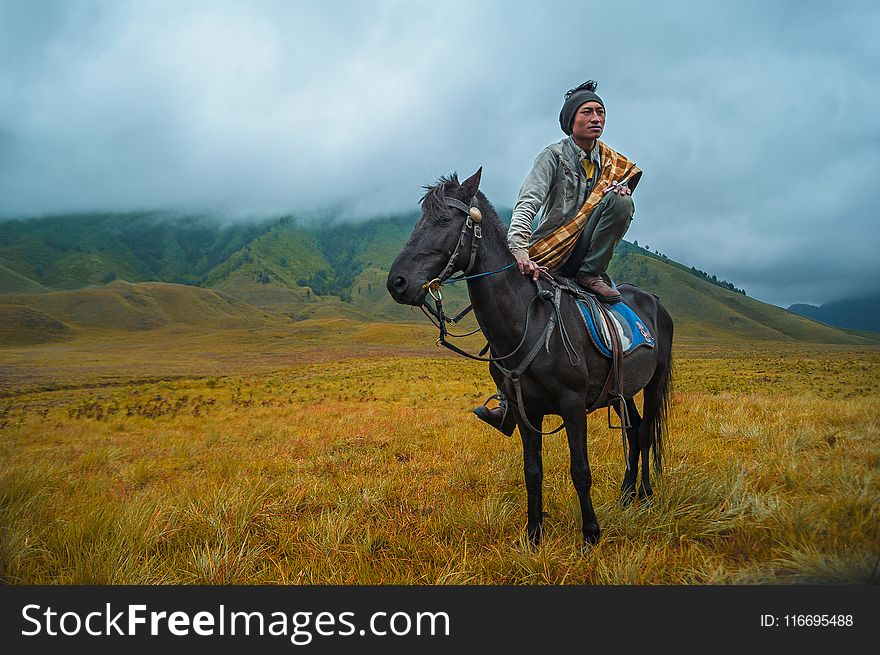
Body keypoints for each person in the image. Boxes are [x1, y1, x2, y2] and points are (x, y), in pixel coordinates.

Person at [474, 80, 642, 435]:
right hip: (549, 250)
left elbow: (611, 212)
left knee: (622, 201)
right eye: (588, 112)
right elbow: (529, 202)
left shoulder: (613, 163)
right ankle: (507, 402)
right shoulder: (552, 157)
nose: (596, 118)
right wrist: (518, 248)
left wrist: (618, 195)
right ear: (571, 121)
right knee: (511, 320)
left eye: (601, 112)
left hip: (586, 257)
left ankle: (591, 280)